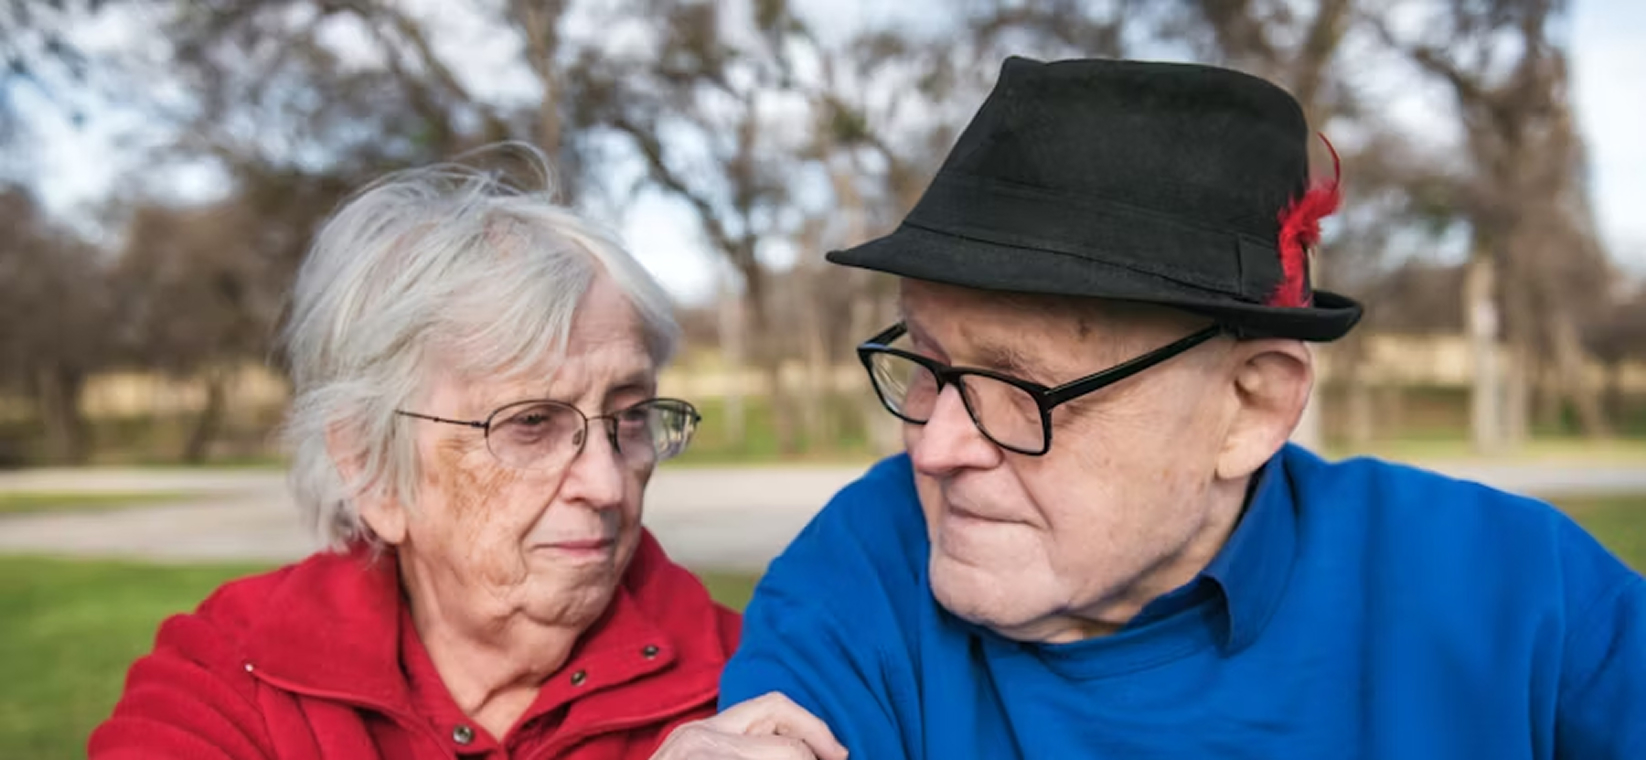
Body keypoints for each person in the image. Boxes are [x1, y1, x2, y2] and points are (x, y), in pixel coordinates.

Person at [709, 57, 1646, 758]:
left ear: (1250, 408)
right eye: (927, 365)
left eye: (1020, 389)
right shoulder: (864, 569)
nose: (936, 449)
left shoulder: (1516, 590)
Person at [90, 154, 744, 759]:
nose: (606, 484)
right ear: (369, 465)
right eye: (531, 423)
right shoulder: (233, 675)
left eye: (629, 417)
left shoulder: (748, 679)